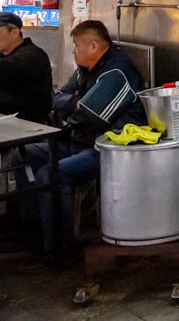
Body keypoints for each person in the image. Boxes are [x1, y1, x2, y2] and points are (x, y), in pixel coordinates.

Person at [24, 20, 146, 256]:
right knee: (25, 154)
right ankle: (32, 229)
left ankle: (60, 246)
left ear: (92, 46)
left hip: (105, 149)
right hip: (77, 141)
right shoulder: (86, 69)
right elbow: (55, 99)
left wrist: (72, 107)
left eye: (76, 46)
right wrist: (73, 103)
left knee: (50, 174)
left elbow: (89, 116)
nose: (73, 51)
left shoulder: (116, 72)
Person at [0, 12, 53, 124]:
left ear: (15, 33)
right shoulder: (4, 54)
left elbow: (9, 70)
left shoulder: (33, 55)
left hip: (27, 125)